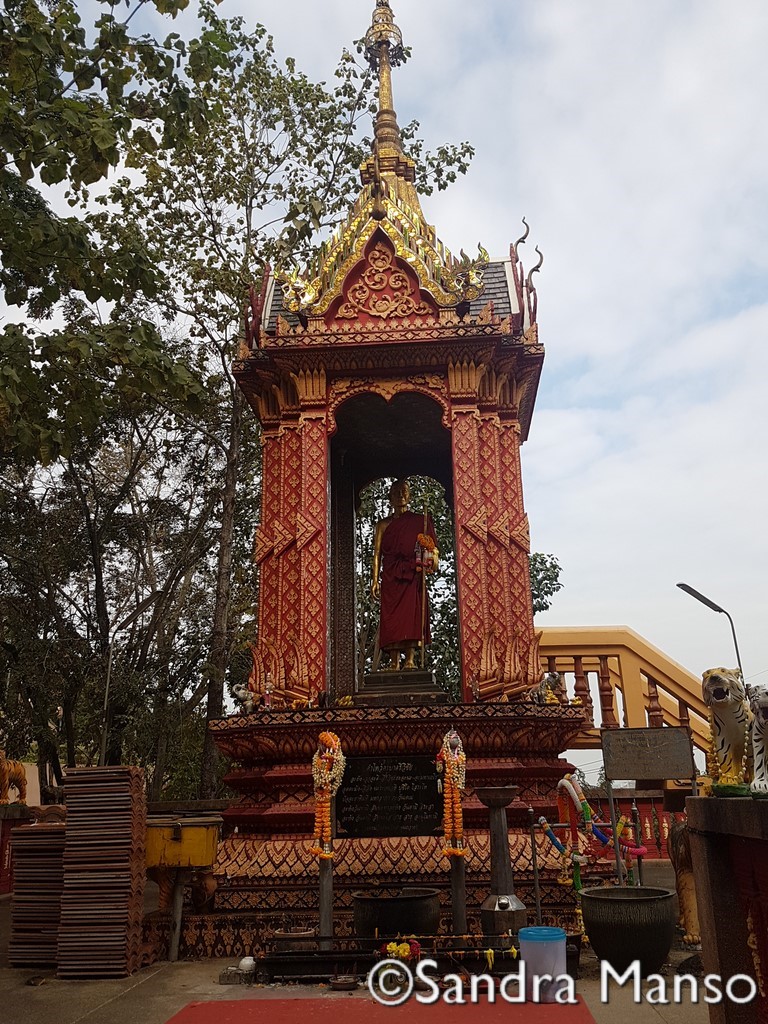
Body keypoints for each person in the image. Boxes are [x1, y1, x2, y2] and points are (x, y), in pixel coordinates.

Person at [371, 479, 438, 670]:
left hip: (411, 574)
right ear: (390, 497)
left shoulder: (420, 521)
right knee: (391, 619)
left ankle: (410, 660)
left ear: (409, 496)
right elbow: (377, 554)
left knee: (411, 617)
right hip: (391, 576)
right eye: (396, 492)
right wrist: (374, 580)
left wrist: (429, 558)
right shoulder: (382, 525)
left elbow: (432, 549)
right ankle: (394, 662)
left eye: (404, 491)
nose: (400, 495)